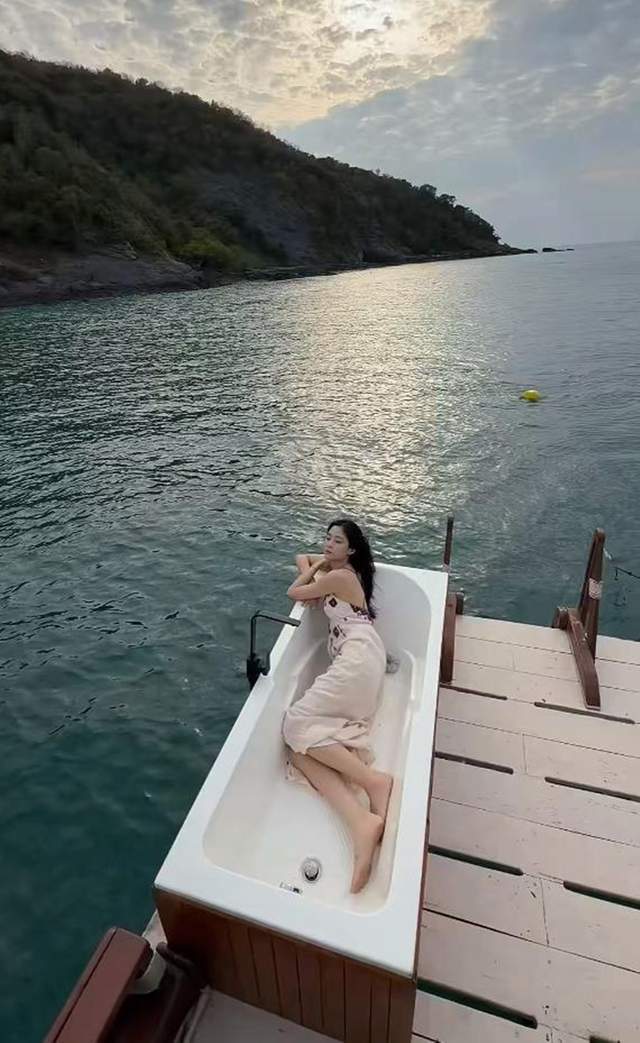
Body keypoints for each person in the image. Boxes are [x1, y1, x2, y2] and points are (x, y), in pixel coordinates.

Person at [282, 518, 391, 893]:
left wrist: (316, 571)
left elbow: (294, 591)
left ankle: (374, 782)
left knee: (294, 725)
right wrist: (320, 564)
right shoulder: (339, 572)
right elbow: (302, 555)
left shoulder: (341, 577)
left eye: (337, 541)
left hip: (357, 659)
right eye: (326, 539)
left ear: (352, 549)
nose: (328, 545)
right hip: (361, 657)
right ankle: (360, 822)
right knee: (299, 753)